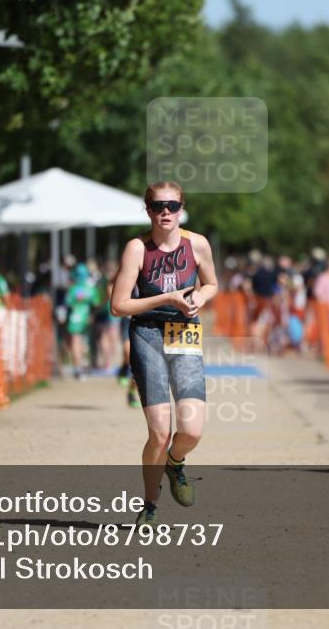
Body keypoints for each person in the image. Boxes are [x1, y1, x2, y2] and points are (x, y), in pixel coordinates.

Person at [111, 181, 218, 528]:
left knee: (192, 430)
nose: (166, 212)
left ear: (182, 207)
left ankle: (175, 463)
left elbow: (212, 283)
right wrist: (166, 299)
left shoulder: (197, 244)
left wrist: (202, 297)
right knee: (159, 431)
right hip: (147, 334)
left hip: (184, 333)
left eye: (172, 205)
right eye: (158, 206)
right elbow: (118, 305)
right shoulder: (137, 249)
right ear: (148, 210)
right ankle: (150, 504)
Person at [65, 263, 100, 380]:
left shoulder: (73, 289)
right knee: (86, 343)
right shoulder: (91, 288)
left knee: (76, 342)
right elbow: (96, 303)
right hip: (87, 317)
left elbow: (68, 304)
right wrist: (92, 315)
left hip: (75, 318)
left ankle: (78, 368)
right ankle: (85, 366)